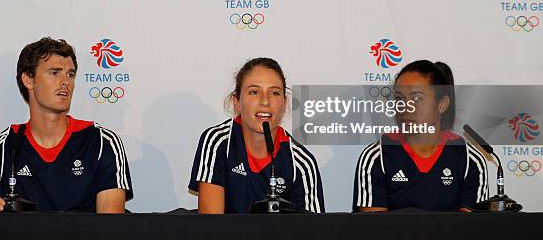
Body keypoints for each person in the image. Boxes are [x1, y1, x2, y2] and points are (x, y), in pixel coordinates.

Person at [0, 37, 133, 213]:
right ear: (28, 80)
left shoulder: (102, 142)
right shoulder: (2, 147)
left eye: (70, 74)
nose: (65, 82)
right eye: (54, 72)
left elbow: (110, 227)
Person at [189, 57, 325, 213]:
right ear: (237, 102)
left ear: (285, 103)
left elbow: (314, 230)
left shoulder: (301, 163)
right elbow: (211, 227)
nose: (265, 101)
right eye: (254, 92)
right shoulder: (218, 142)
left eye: (274, 93)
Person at [353, 60, 489, 212]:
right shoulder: (377, 157)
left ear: (442, 104)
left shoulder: (469, 160)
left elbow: (474, 230)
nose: (406, 107)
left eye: (416, 98)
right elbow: (372, 231)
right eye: (399, 99)